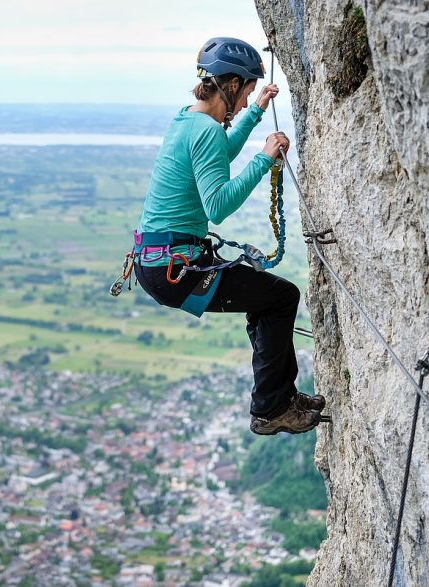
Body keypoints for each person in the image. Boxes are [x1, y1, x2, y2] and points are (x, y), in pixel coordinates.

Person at [133, 37, 326, 435]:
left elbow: (219, 151)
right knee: (281, 297)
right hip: (176, 267)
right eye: (248, 91)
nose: (246, 99)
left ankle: (279, 398)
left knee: (266, 298)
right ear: (233, 84)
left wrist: (254, 115)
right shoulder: (204, 131)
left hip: (163, 261)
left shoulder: (188, 119)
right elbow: (217, 205)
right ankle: (272, 408)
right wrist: (264, 157)